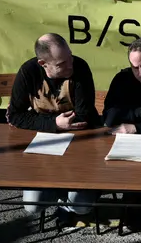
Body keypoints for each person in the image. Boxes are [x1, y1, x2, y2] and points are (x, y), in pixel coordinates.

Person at [7, 33, 100, 222]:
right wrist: (54, 124)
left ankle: (70, 199)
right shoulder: (28, 72)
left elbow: (84, 116)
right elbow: (14, 116)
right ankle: (59, 194)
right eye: (61, 64)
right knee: (32, 207)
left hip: (79, 147)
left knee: (81, 206)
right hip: (43, 148)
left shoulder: (79, 68)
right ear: (43, 64)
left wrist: (37, 120)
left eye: (70, 57)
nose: (70, 65)